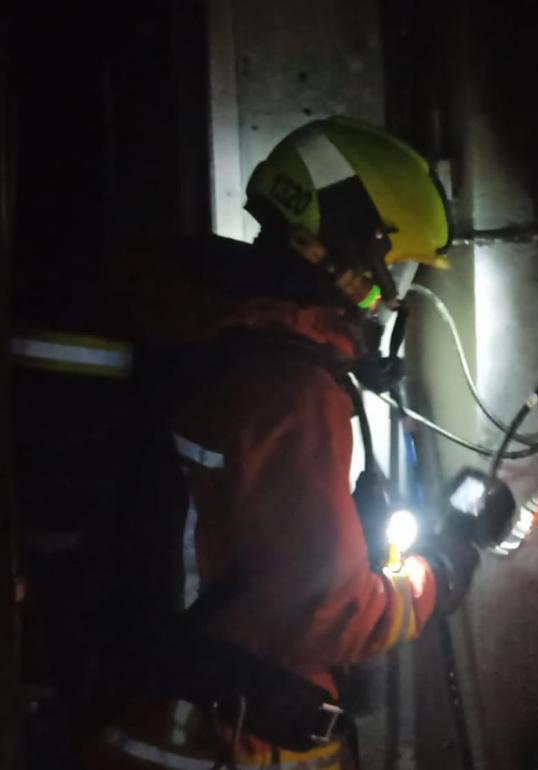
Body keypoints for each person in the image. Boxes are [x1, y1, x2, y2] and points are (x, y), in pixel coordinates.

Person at [86, 116, 478, 770]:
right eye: (397, 265)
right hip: (223, 740)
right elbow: (327, 615)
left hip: (156, 716)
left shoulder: (214, 333)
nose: (393, 292)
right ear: (354, 248)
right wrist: (436, 574)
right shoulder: (290, 388)